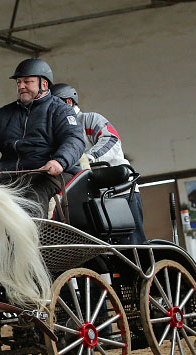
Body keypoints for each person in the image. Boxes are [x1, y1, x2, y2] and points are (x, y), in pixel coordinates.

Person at [0, 58, 85, 216]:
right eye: (18, 82)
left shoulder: (60, 110)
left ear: (44, 84)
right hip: (13, 179)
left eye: (27, 81)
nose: (21, 86)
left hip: (51, 176)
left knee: (31, 198)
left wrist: (59, 161)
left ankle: (35, 239)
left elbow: (74, 140)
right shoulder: (5, 113)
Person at [51, 82, 146, 244]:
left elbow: (111, 139)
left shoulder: (89, 120)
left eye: (54, 105)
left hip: (119, 192)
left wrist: (87, 159)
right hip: (88, 198)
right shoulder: (56, 134)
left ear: (68, 102)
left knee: (132, 243)